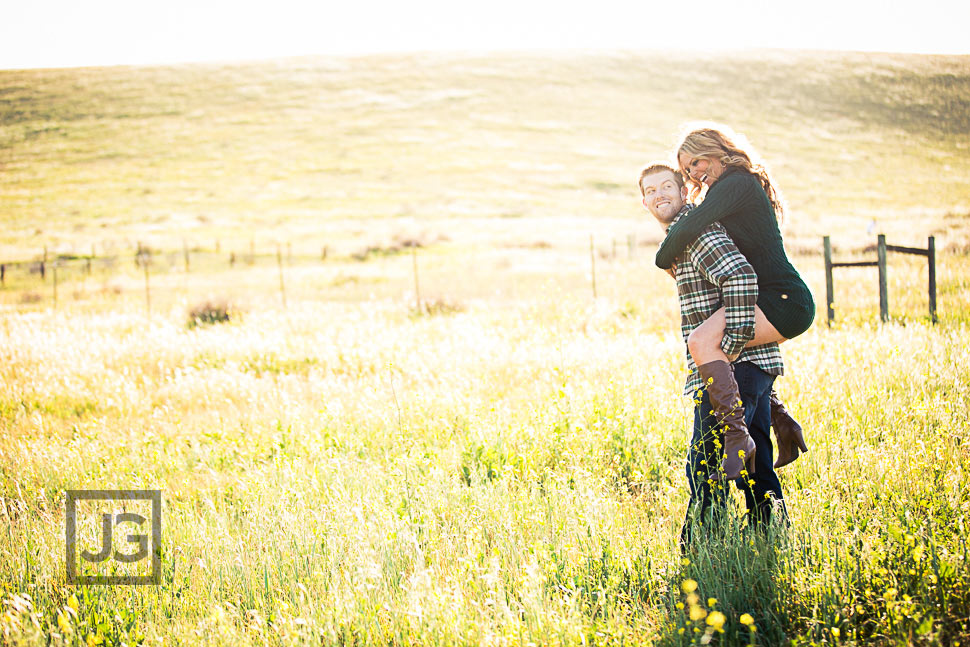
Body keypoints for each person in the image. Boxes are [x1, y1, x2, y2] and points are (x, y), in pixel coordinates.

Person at [639, 161, 788, 547]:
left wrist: (728, 348)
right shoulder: (683, 237)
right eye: (651, 190)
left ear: (685, 191)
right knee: (755, 459)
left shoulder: (697, 233)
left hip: (728, 366)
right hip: (745, 367)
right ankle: (771, 535)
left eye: (667, 187)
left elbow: (740, 277)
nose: (660, 195)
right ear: (643, 201)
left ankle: (702, 547)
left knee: (706, 460)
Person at [655, 125, 812, 478]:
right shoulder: (734, 186)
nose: (695, 173)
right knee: (725, 354)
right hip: (779, 299)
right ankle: (781, 421)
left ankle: (739, 437)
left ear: (715, 151)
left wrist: (662, 258)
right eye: (688, 170)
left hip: (784, 300)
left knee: (702, 342)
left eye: (696, 163)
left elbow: (688, 226)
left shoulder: (735, 183)